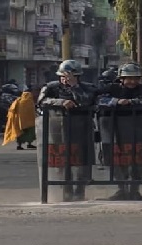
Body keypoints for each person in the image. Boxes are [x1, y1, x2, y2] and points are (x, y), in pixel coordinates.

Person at [37, 59, 98, 202]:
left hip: (81, 127)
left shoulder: (87, 88)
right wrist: (61, 102)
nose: (66, 79)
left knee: (81, 161)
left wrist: (74, 87)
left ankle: (79, 192)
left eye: (71, 76)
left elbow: (86, 101)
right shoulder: (51, 87)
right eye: (63, 76)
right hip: (57, 127)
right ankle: (66, 191)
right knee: (61, 161)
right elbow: (41, 101)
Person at [97, 63, 142, 201]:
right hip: (114, 130)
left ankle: (135, 190)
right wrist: (116, 101)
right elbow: (98, 99)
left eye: (135, 78)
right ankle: (121, 189)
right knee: (116, 160)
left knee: (138, 161)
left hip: (139, 130)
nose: (132, 82)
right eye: (128, 78)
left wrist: (129, 102)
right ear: (121, 79)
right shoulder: (112, 88)